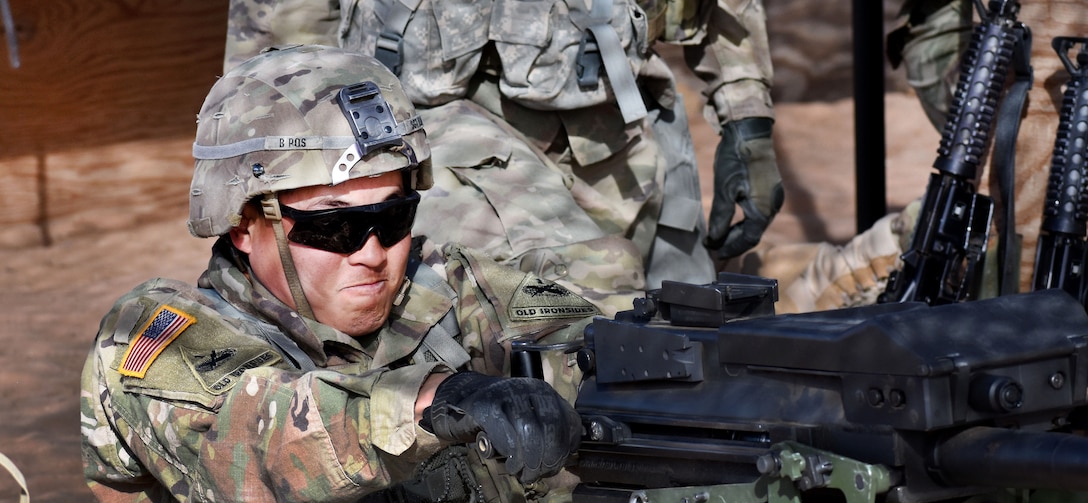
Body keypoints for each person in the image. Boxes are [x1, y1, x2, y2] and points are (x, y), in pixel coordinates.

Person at [77, 44, 641, 503]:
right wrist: (438, 401)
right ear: (245, 220)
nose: (373, 254)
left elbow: (587, 333)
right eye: (335, 227)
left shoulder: (452, 290)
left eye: (393, 219)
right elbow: (260, 440)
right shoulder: (161, 338)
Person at [222, 0, 786, 287]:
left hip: (623, 142)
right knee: (507, 371)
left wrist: (746, 117)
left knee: (681, 361)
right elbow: (277, 52)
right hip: (427, 150)